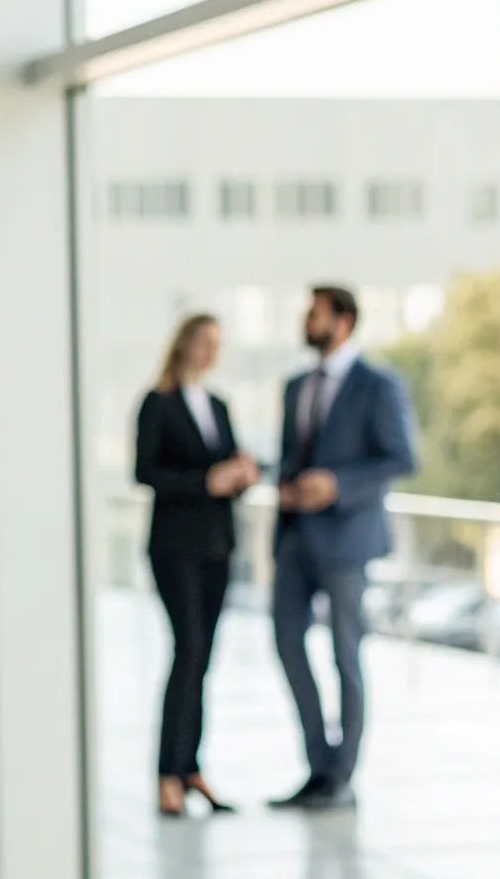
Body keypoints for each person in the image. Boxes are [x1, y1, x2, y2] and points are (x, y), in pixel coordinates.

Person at [268, 286, 417, 812]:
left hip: (347, 538)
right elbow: (291, 454)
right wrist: (281, 481)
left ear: (344, 321)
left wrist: (338, 484)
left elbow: (401, 457)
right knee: (286, 643)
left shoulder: (377, 385)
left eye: (315, 313)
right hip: (293, 537)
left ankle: (343, 775)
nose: (306, 321)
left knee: (344, 654)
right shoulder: (295, 386)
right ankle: (318, 765)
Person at [135, 314, 258, 817]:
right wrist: (205, 481)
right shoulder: (157, 404)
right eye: (203, 342)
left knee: (203, 657)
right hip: (174, 546)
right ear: (183, 343)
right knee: (186, 651)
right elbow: (145, 471)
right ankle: (167, 772)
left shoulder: (219, 404)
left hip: (216, 546)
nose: (210, 351)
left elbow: (226, 462)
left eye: (217, 343)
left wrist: (243, 472)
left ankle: (191, 767)